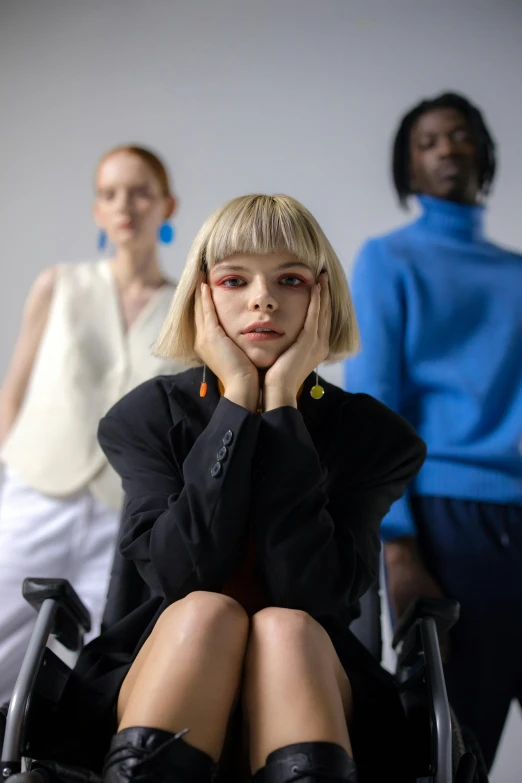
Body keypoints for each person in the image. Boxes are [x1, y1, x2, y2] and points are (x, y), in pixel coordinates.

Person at [38, 194, 426, 783]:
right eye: (234, 279)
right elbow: (183, 574)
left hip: (315, 681)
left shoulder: (375, 438)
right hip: (164, 666)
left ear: (322, 300)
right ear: (201, 295)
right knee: (208, 613)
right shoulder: (145, 418)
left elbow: (310, 592)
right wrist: (238, 400)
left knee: (285, 627)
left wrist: (284, 407)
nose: (262, 299)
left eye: (290, 279)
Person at [344, 92, 522, 769]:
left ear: (485, 154)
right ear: (409, 167)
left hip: (516, 512)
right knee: (455, 748)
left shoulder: (517, 273)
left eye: (461, 135)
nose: (447, 149)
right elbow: (374, 411)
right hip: (445, 522)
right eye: (428, 141)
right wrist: (397, 549)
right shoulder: (390, 260)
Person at [0, 144, 184, 706]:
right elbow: (15, 393)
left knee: (90, 669)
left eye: (139, 192)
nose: (124, 204)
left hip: (124, 515)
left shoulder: (188, 309)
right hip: (37, 488)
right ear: (97, 210)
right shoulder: (58, 285)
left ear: (166, 205)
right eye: (109, 194)